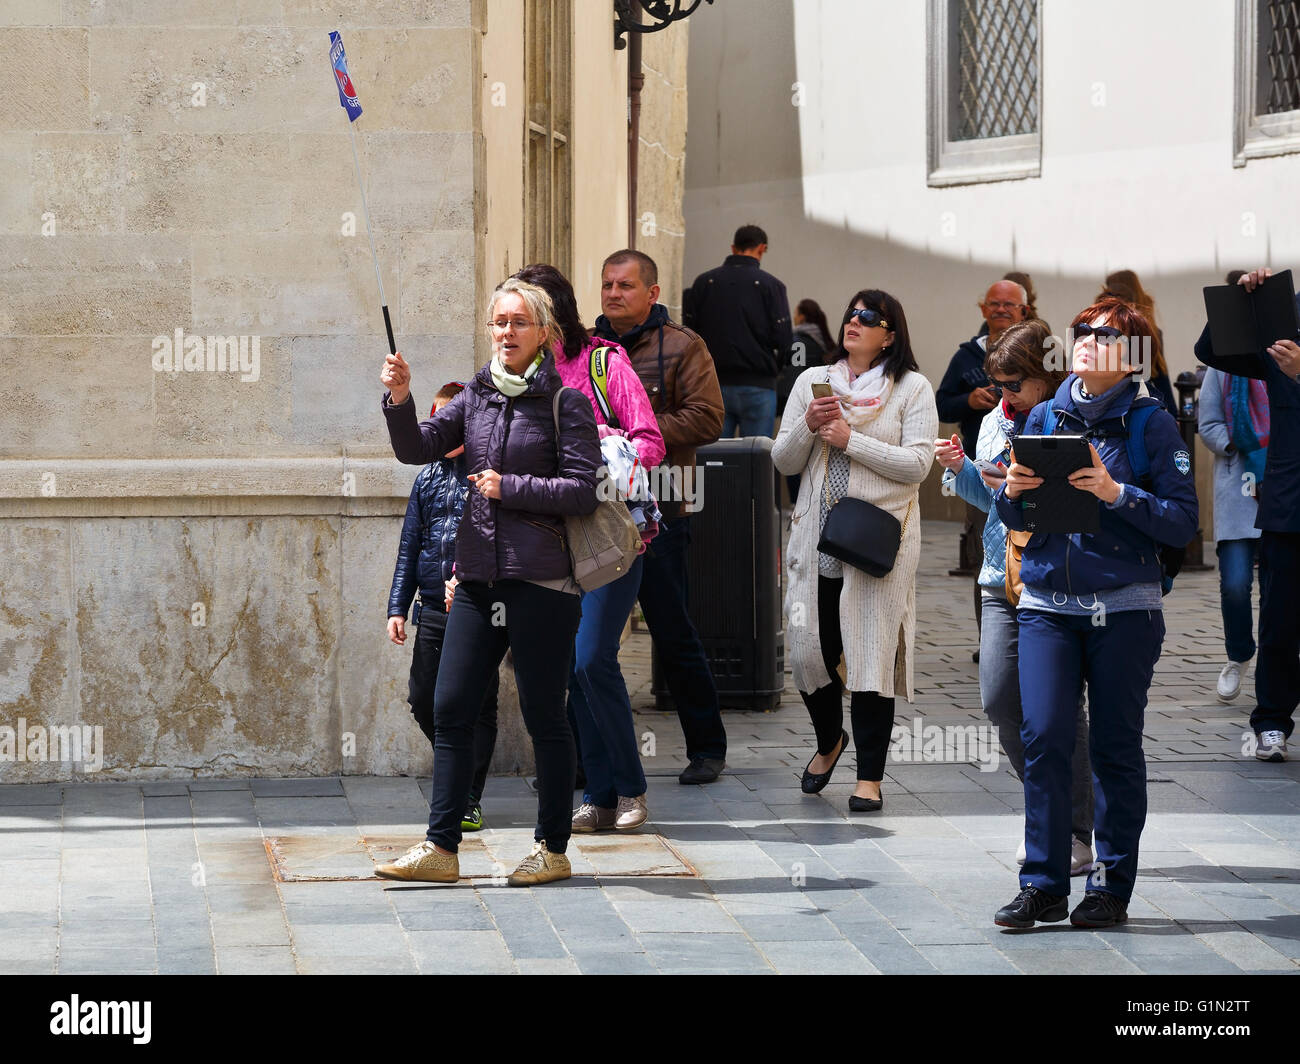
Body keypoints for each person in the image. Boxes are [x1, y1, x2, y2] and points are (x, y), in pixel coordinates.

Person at [375, 278, 602, 887]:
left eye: (519, 323)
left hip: (542, 582)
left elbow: (583, 490)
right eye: (499, 322)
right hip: (476, 577)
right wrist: (400, 398)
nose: (506, 333)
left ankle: (552, 848)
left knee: (543, 716)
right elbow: (418, 448)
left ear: (544, 334)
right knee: (450, 707)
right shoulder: (474, 397)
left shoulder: (567, 402)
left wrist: (510, 486)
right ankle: (440, 847)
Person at [993, 296, 1198, 929]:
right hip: (1048, 604)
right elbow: (1016, 519)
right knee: (1045, 737)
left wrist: (1117, 494)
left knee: (1113, 747)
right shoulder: (1047, 414)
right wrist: (1012, 496)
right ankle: (1044, 885)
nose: (1083, 340)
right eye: (1080, 330)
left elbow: (1184, 522)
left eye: (1101, 334)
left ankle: (1110, 886)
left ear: (1133, 354)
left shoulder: (1151, 424)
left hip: (1124, 610)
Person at [933, 320, 1095, 874]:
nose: (1002, 396)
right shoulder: (994, 422)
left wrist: (1024, 485)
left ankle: (1072, 828)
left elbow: (1079, 499)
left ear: (1046, 378)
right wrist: (962, 471)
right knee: (1001, 698)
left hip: (1055, 581)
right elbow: (987, 500)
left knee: (1057, 711)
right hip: (1001, 579)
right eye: (998, 386)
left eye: (1012, 386)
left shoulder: (1072, 419)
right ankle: (1058, 807)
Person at [512, 263, 666, 833]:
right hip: (550, 540)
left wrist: (591, 450)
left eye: (523, 316)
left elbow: (649, 442)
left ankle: (630, 789)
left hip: (608, 536)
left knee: (591, 658)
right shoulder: (522, 374)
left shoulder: (604, 362)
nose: (512, 328)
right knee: (569, 670)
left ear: (550, 316)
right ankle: (599, 795)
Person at [773, 289, 938, 811]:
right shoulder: (812, 383)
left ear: (890, 334)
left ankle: (870, 778)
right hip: (814, 541)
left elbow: (917, 466)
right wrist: (810, 424)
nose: (854, 322)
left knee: (870, 655)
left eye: (870, 317)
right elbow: (784, 462)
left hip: (876, 543)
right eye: (851, 313)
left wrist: (848, 438)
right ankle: (829, 740)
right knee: (806, 652)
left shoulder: (912, 389)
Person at [594, 249, 730, 784]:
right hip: (594, 513)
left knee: (671, 627)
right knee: (590, 640)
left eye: (624, 285)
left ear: (651, 293)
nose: (612, 294)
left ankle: (706, 747)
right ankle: (591, 760)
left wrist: (630, 440)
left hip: (663, 506)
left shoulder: (683, 345)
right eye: (606, 284)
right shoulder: (587, 347)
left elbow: (707, 417)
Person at [1195, 266, 1300, 762]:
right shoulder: (1288, 320)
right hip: (1289, 504)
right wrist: (1240, 302)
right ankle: (1272, 723)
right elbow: (1214, 352)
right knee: (1279, 621)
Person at [386, 381, 499, 832]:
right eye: (433, 421)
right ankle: (460, 769)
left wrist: (470, 578)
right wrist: (398, 606)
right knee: (422, 698)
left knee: (480, 704)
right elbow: (409, 546)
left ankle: (467, 796)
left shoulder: (487, 475)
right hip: (432, 607)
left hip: (478, 606)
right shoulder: (427, 478)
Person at [937, 279, 1030, 654]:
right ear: (983, 309)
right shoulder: (966, 355)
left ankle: (1034, 633)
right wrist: (969, 401)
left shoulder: (1039, 349)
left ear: (1024, 310)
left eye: (1010, 305)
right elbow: (943, 404)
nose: (1002, 310)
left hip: (1029, 475)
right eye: (995, 304)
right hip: (981, 471)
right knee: (986, 554)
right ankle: (990, 638)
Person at [1197, 365, 1268, 702]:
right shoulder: (1223, 365)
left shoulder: (1289, 358)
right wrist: (1237, 443)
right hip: (1238, 482)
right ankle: (1239, 655)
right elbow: (1208, 424)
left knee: (1279, 586)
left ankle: (1277, 660)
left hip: (1283, 483)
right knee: (1236, 584)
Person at [683, 223, 793, 439]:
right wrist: (775, 371)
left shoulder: (704, 282)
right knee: (755, 461)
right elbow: (785, 341)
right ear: (762, 248)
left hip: (711, 386)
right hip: (758, 385)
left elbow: (688, 336)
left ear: (733, 248)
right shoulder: (772, 286)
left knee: (713, 460)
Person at [1098, 269, 1175, 413]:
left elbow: (1159, 375)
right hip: (1138, 403)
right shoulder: (1152, 330)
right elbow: (1161, 377)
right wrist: (1173, 413)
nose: (1109, 295)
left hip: (1122, 403)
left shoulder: (1143, 331)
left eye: (1112, 290)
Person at [780, 299, 834, 505]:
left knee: (793, 449)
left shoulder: (797, 341)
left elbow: (793, 373)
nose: (793, 316)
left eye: (795, 312)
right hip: (824, 406)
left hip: (801, 404)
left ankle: (796, 500)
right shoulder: (826, 341)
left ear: (802, 316)